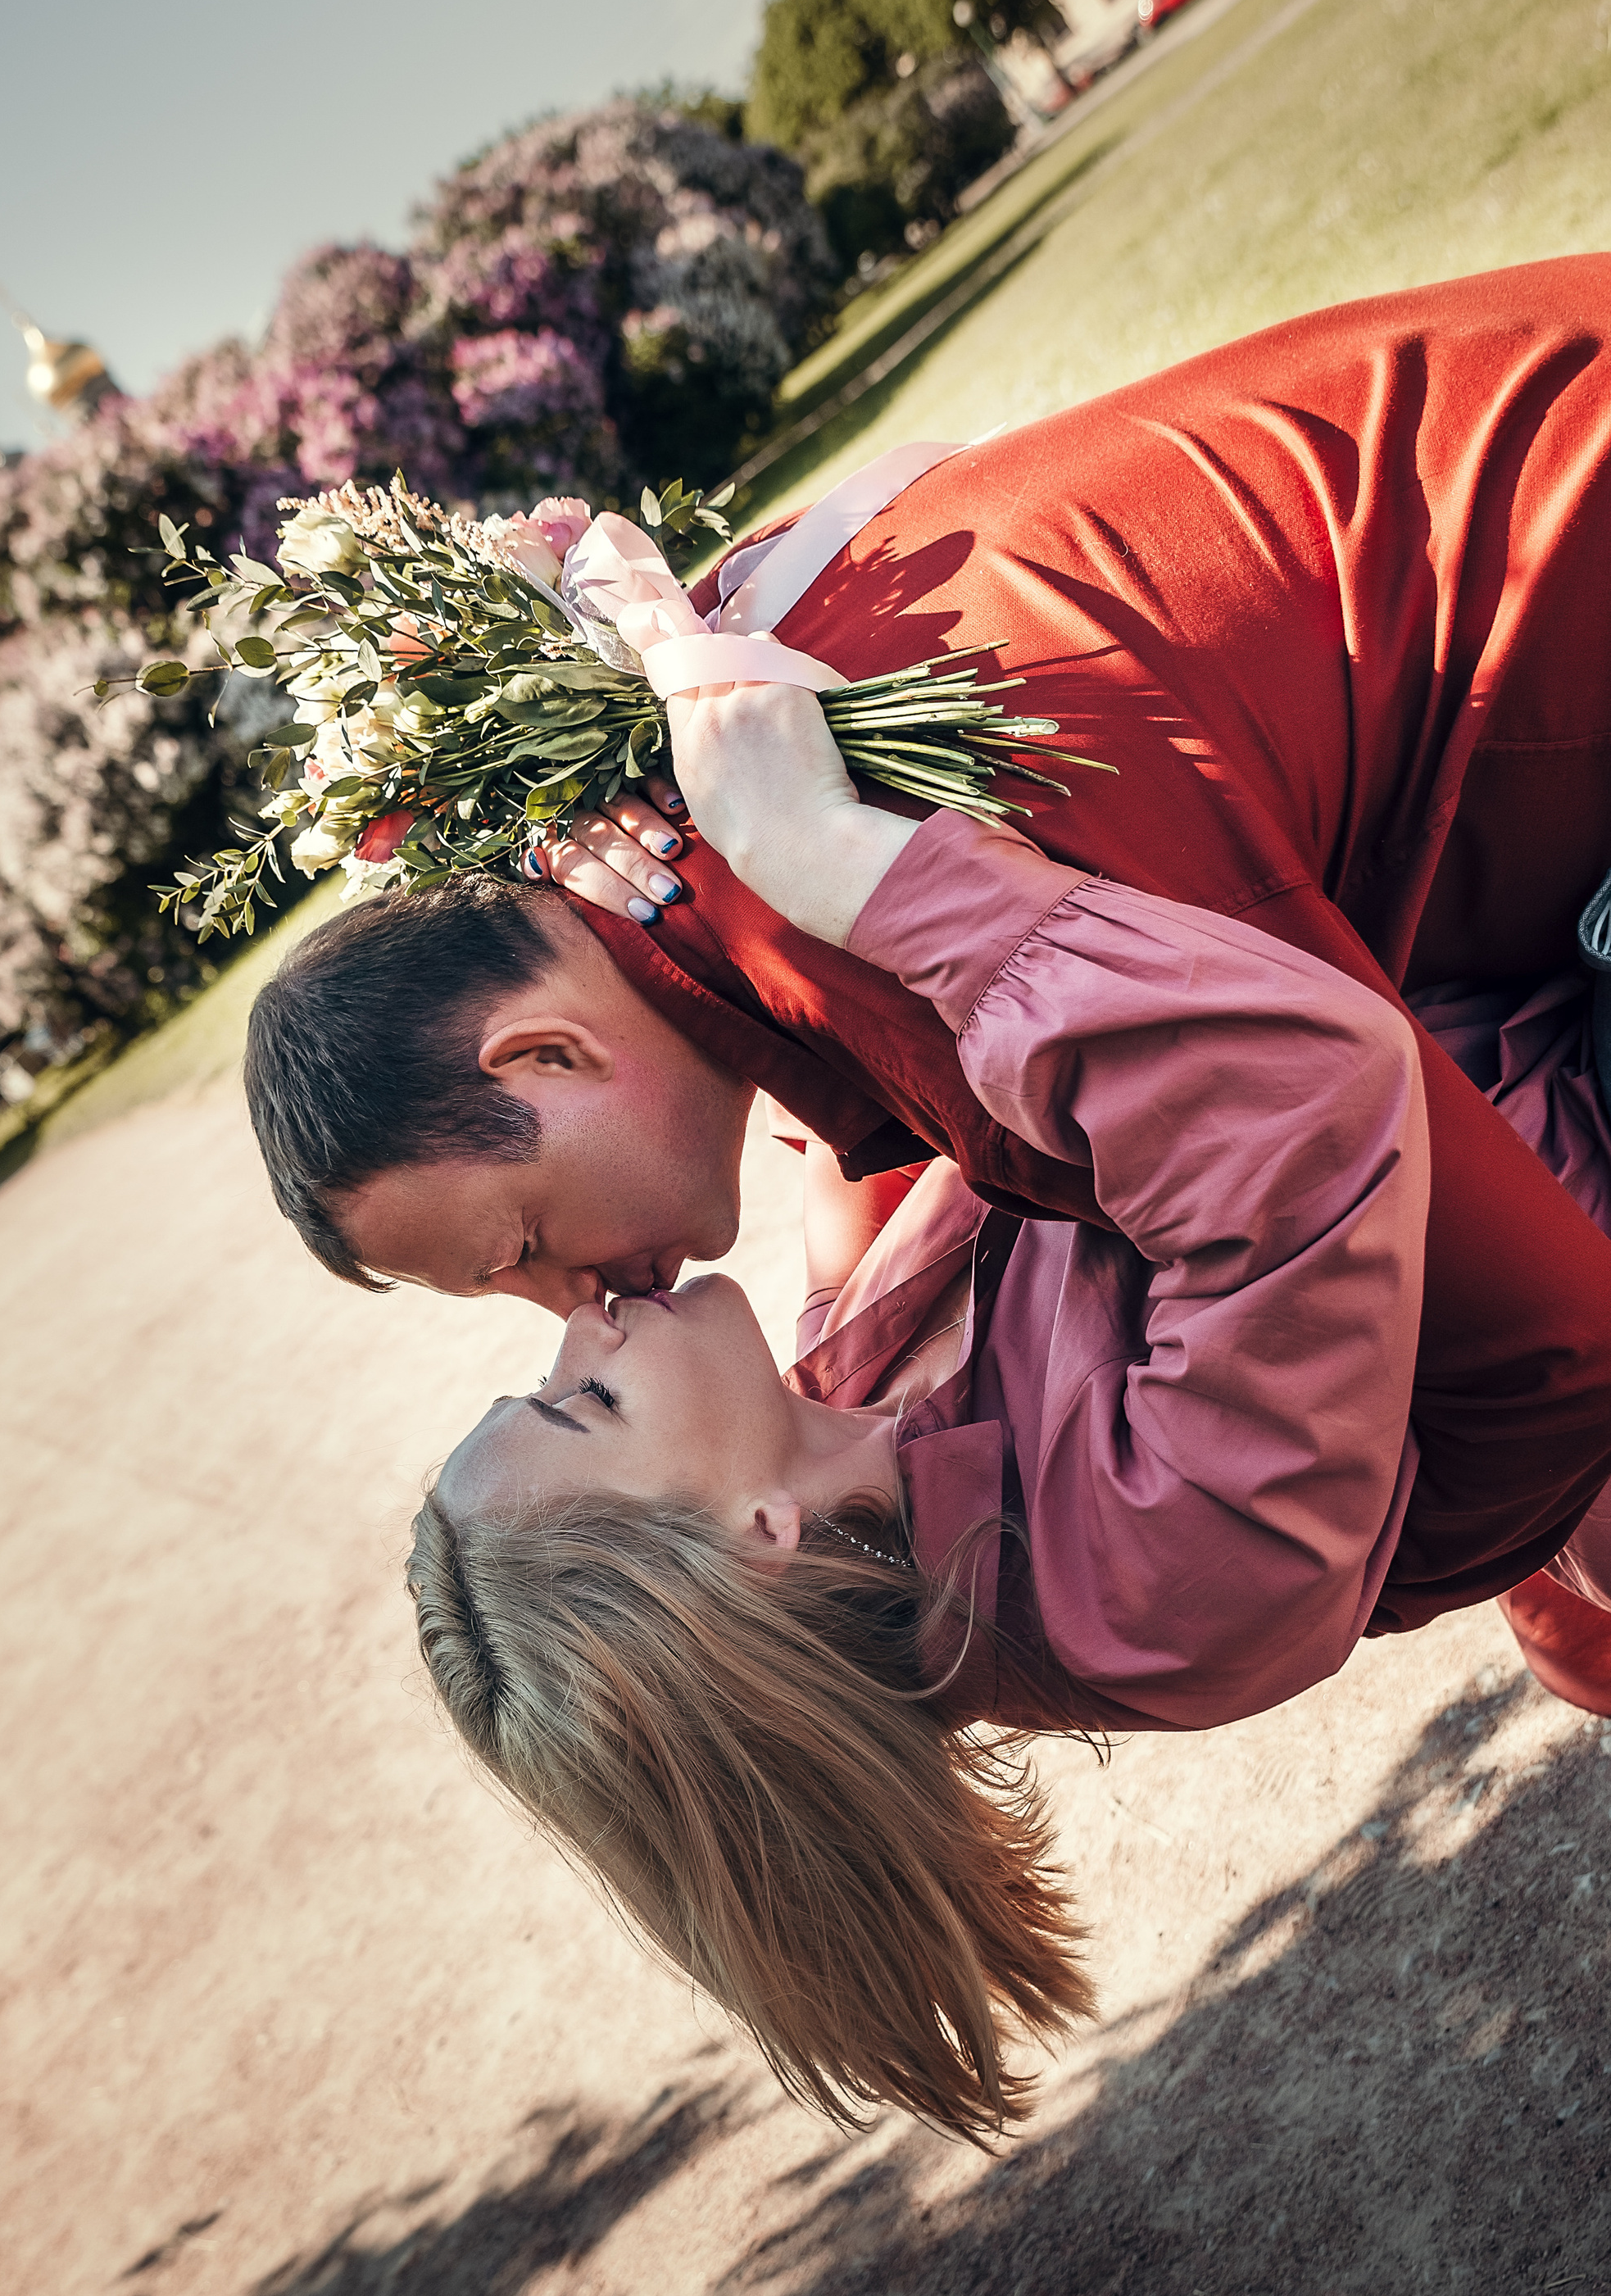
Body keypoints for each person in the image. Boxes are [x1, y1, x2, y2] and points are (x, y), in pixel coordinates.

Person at [246, 260, 1611, 1668]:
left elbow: (1550, 1344)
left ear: (543, 1056)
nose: (577, 1310)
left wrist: (1367, 1575)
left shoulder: (855, 915)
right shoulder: (703, 705)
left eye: (522, 1250)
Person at [406, 683, 1611, 2140]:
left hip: (1479, 951)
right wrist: (846, 871)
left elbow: (838, 1059)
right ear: (757, 1536)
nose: (577, 1322)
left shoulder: (850, 1362)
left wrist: (641, 905)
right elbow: (1294, 1113)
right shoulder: (1141, 1585)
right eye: (584, 1405)